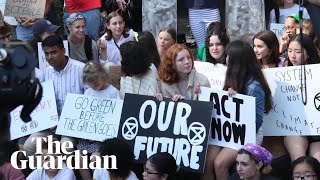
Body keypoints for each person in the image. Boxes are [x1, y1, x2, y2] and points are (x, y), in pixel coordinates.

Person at [204, 40, 273, 180]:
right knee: (207, 161)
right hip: (226, 132)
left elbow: (257, 121)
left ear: (237, 61)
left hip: (247, 134)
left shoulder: (255, 87)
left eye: (229, 55)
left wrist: (240, 100)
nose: (226, 57)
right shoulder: (232, 76)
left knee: (219, 164)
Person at [23, 35, 85, 158]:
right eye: (46, 53)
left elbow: (89, 102)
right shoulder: (46, 73)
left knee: (64, 148)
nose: (49, 57)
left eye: (53, 52)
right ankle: (43, 175)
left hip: (72, 127)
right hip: (51, 126)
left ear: (63, 50)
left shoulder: (81, 70)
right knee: (28, 146)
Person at [284, 34, 320, 162]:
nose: (292, 56)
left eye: (298, 52)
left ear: (308, 53)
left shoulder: (318, 72)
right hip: (295, 129)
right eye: (289, 51)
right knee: (298, 160)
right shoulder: (281, 73)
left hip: (317, 132)